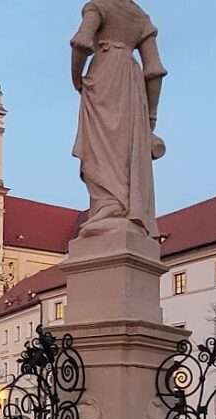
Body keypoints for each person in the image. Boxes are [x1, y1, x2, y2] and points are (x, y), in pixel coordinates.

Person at [71, 0, 167, 239]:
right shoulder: (140, 17)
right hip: (131, 81)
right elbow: (154, 70)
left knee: (98, 149)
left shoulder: (99, 5)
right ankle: (122, 209)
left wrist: (76, 78)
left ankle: (107, 207)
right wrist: (151, 116)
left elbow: (82, 42)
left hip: (102, 74)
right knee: (127, 146)